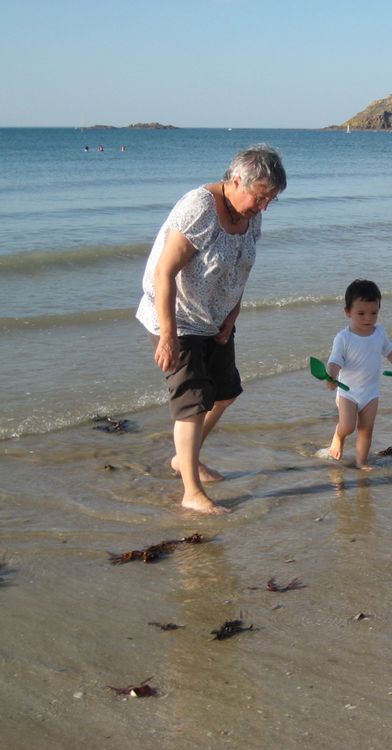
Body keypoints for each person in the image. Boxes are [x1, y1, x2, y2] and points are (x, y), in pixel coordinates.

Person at [136, 145, 287, 513]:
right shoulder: (199, 208)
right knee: (191, 404)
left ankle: (183, 459)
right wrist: (168, 335)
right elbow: (164, 272)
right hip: (179, 317)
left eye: (271, 199)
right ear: (236, 181)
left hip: (216, 318)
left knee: (224, 392)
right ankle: (191, 491)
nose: (264, 206)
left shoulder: (251, 214)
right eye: (260, 196)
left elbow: (241, 267)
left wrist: (231, 317)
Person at [321, 279, 392, 470]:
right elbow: (335, 360)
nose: (368, 318)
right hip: (348, 392)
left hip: (371, 392)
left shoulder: (380, 332)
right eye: (361, 313)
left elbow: (390, 350)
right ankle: (338, 436)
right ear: (348, 312)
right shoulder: (344, 337)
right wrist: (332, 376)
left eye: (373, 313)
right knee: (347, 426)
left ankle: (361, 461)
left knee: (366, 429)